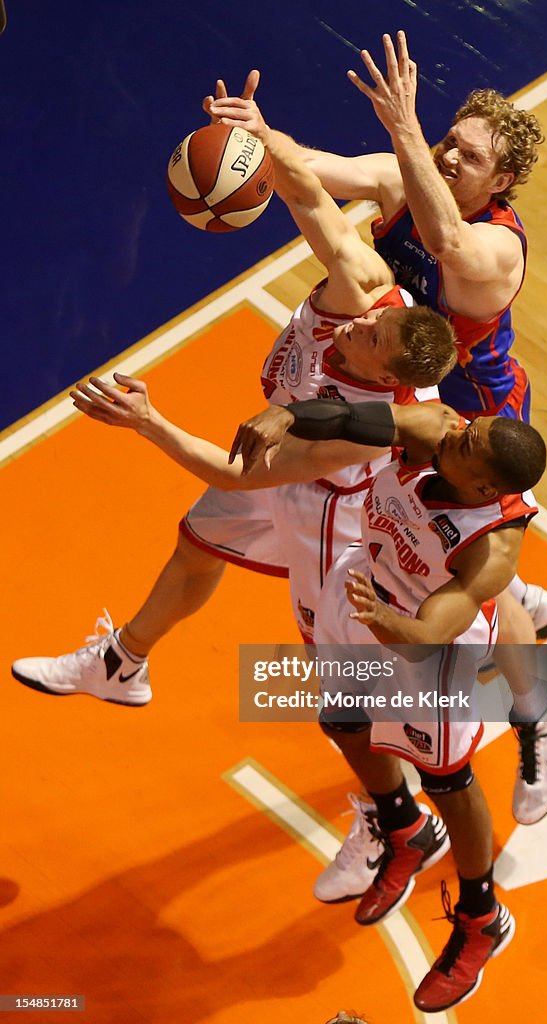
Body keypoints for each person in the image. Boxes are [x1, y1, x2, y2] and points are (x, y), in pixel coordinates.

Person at [11, 93, 456, 894]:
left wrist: (146, 421)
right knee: (195, 544)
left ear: (387, 377)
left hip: (331, 513)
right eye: (360, 324)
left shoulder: (353, 424)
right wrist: (260, 133)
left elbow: (232, 471)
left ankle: (400, 820)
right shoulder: (364, 284)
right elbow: (309, 197)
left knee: (342, 689)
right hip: (280, 463)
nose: (350, 331)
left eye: (365, 343)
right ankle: (123, 664)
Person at [203, 35, 547, 827]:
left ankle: (538, 711)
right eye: (445, 143)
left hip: (474, 418)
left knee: (475, 581)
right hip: (399, 392)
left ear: (501, 183)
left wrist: (407, 130)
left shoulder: (498, 247)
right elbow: (316, 170)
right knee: (369, 525)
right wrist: (256, 137)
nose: (444, 161)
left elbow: (444, 243)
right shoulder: (402, 172)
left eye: (465, 159)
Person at [232, 393, 547, 1012]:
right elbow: (352, 417)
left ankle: (482, 916)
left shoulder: (490, 550)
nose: (458, 430)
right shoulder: (439, 431)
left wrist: (380, 619)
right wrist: (287, 416)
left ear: (484, 484)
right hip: (364, 586)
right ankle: (403, 827)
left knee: (448, 778)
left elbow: (433, 629)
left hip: (422, 646)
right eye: (470, 426)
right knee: (343, 720)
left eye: (469, 442)